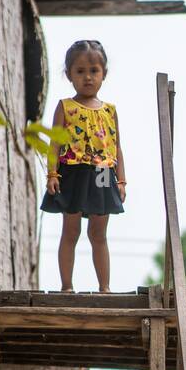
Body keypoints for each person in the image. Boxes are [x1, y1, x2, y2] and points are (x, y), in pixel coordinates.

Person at [40, 39, 126, 292]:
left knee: (98, 233)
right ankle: (67, 286)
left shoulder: (110, 111)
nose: (87, 77)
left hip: (102, 172)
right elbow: (54, 144)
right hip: (73, 172)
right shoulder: (65, 107)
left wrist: (121, 180)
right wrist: (52, 174)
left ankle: (105, 288)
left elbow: (117, 146)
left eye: (94, 71)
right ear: (69, 75)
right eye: (80, 71)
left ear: (104, 74)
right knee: (71, 231)